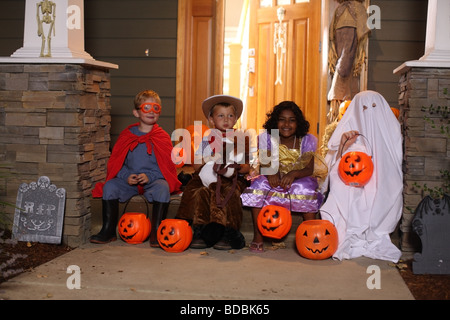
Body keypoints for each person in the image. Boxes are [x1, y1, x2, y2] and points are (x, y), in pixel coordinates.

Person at [320, 90, 403, 263]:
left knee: (385, 186)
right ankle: (349, 229)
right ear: (356, 110)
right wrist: (343, 146)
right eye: (364, 108)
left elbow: (393, 163)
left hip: (378, 178)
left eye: (374, 107)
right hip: (350, 181)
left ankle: (374, 228)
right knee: (344, 189)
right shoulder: (348, 132)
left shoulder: (390, 130)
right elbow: (335, 166)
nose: (369, 112)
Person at [91, 90, 181, 246]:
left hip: (154, 180)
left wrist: (150, 177)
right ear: (136, 112)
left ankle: (157, 231)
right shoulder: (127, 135)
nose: (152, 112)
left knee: (163, 188)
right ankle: (108, 230)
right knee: (110, 186)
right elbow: (117, 164)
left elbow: (167, 166)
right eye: (147, 108)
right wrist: (126, 176)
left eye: (156, 108)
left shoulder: (162, 137)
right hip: (129, 181)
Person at [241, 101, 328, 253]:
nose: (286, 124)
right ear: (275, 122)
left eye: (292, 120)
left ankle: (312, 235)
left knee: (305, 189)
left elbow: (309, 168)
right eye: (282, 119)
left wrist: (294, 174)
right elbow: (265, 162)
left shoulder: (306, 140)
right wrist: (271, 172)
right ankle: (258, 237)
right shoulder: (268, 138)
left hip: (298, 177)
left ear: (298, 123)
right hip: (273, 174)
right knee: (258, 185)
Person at [176, 95, 255, 250]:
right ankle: (201, 231)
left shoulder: (239, 139)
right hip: (207, 176)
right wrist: (210, 157)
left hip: (231, 178)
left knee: (227, 193)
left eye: (230, 115)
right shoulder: (207, 139)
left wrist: (237, 168)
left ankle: (229, 232)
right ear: (211, 120)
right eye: (220, 115)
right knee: (198, 192)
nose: (226, 119)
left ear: (236, 119)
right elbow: (197, 166)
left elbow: (247, 166)